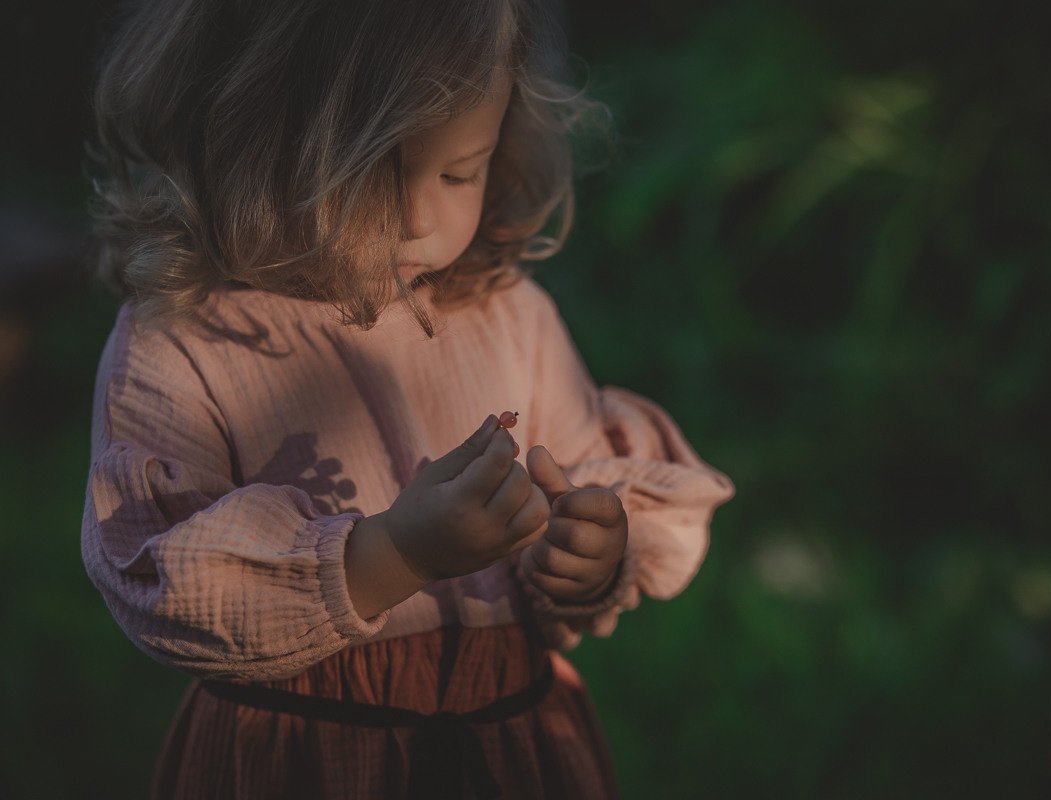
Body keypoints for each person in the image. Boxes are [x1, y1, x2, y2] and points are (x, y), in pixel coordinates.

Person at [81, 0, 734, 797]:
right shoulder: (184, 340)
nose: (422, 218)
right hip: (301, 758)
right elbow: (161, 581)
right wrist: (394, 555)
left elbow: (584, 472)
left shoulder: (506, 310)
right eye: (374, 172)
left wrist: (588, 553)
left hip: (510, 744)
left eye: (462, 170)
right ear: (244, 137)